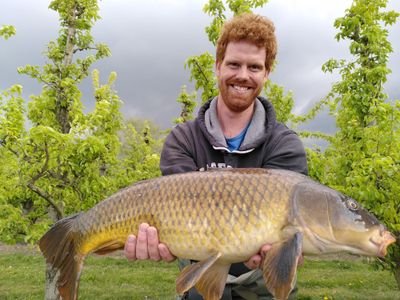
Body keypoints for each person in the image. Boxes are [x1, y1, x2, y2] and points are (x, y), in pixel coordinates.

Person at [124, 13, 308, 299]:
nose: (243, 75)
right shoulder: (183, 139)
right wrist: (155, 239)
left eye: (255, 67)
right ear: (218, 66)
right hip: (201, 277)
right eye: (234, 64)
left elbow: (291, 237)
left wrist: (284, 251)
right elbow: (173, 218)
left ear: (267, 73)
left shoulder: (284, 144)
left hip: (264, 287)